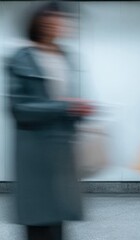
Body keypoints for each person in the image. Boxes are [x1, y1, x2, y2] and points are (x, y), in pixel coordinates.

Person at [7, 2, 94, 240]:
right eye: (51, 19)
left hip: (61, 149)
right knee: (38, 220)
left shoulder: (66, 57)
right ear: (37, 23)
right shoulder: (22, 58)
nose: (57, 24)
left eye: (61, 19)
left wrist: (79, 110)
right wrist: (65, 106)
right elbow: (19, 109)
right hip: (34, 151)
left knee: (58, 220)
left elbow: (66, 100)